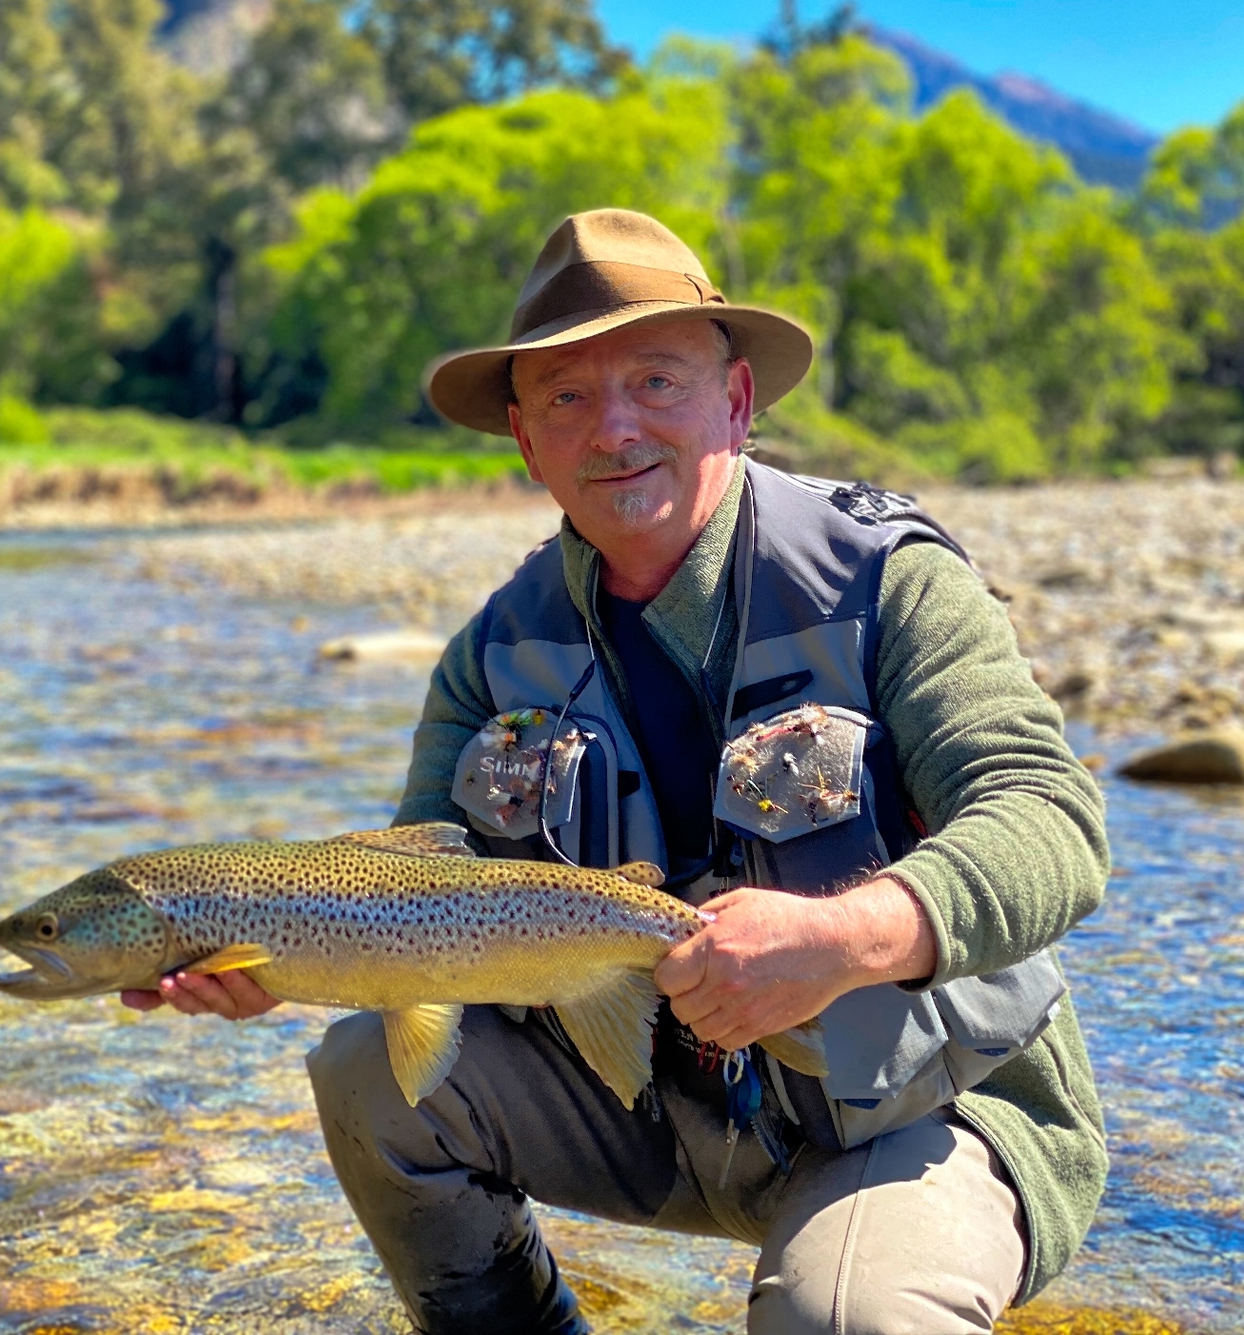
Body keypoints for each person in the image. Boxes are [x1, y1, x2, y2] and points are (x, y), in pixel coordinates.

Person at [124, 209, 1109, 1335]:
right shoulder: (493, 656)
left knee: (845, 1321)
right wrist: (275, 963)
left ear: (735, 402)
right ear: (524, 440)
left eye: (654, 380)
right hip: (665, 1113)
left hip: (927, 1107)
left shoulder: (888, 582)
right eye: (567, 399)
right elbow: (406, 905)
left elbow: (1055, 822)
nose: (614, 429)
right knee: (365, 1074)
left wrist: (849, 937)